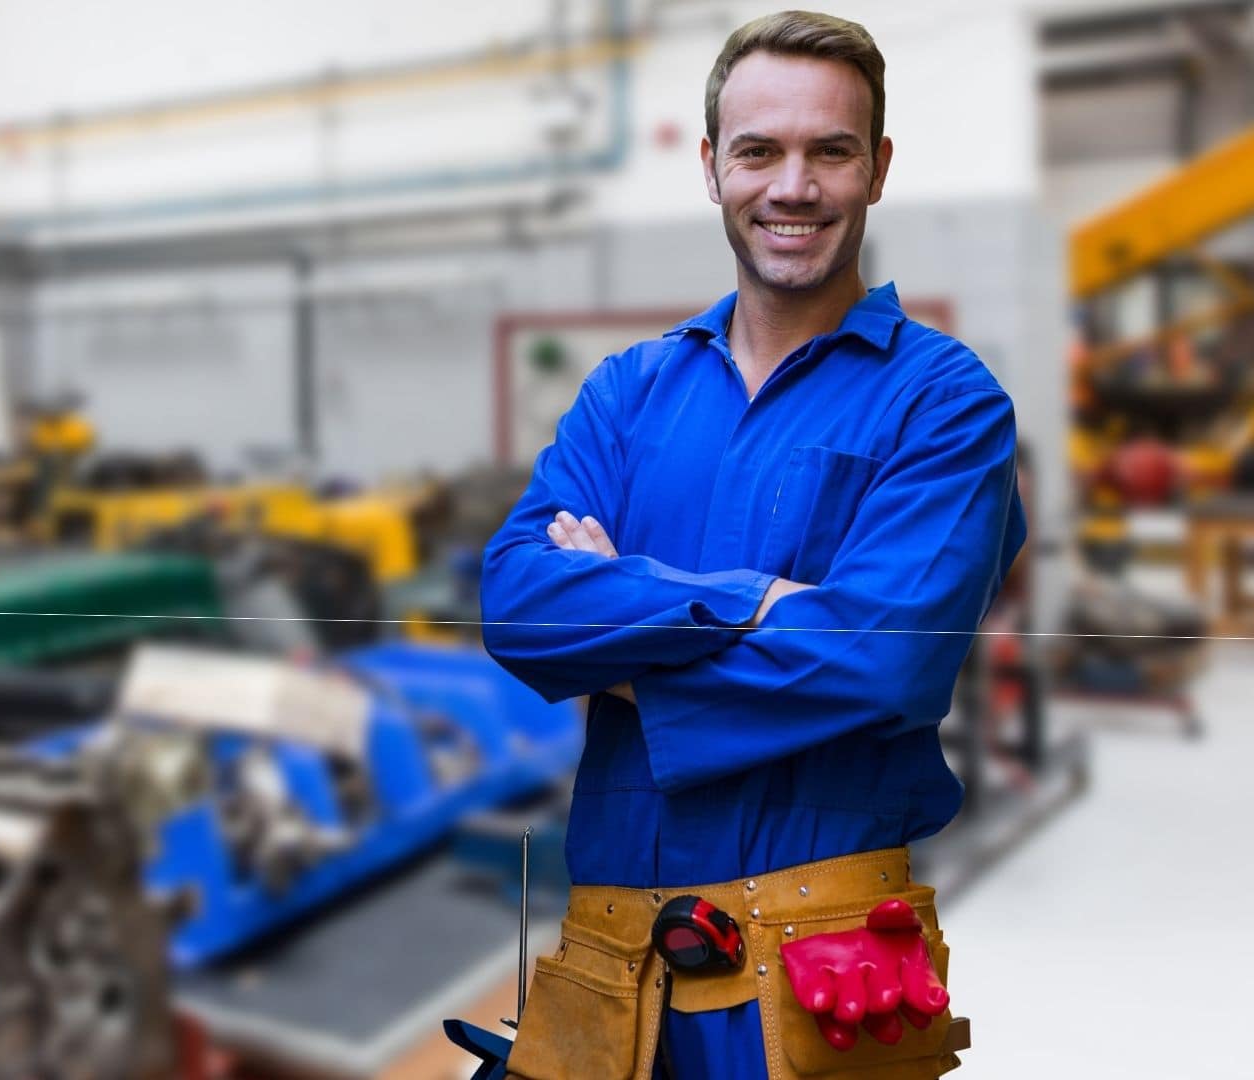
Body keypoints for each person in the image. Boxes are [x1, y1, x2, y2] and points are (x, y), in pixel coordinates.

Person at [478, 11, 1026, 1079]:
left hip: (823, 973)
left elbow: (884, 663)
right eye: (759, 151)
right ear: (711, 167)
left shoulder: (944, 404)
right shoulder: (627, 393)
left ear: (878, 169)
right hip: (614, 970)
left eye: (831, 151)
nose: (793, 187)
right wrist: (756, 602)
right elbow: (518, 603)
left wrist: (624, 634)